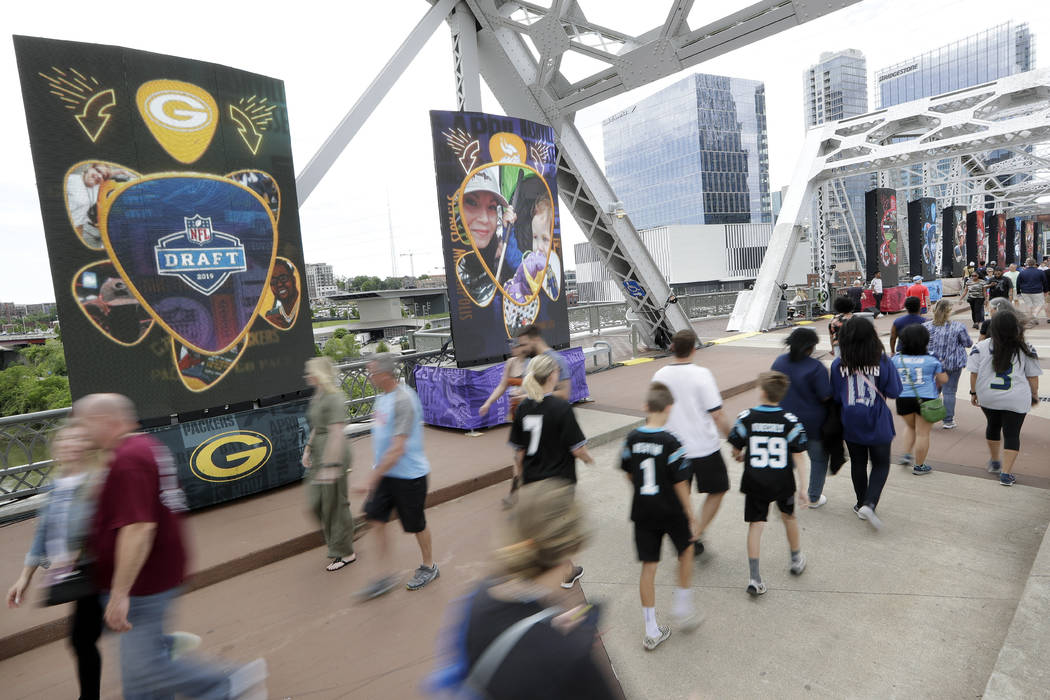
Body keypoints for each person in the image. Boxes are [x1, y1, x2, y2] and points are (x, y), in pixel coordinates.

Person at [78, 393, 267, 699]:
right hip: (154, 576)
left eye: (85, 424)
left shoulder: (129, 459)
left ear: (104, 421)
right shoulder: (145, 446)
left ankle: (229, 683)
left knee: (145, 668)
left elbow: (138, 529)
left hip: (144, 583)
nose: (82, 432)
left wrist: (119, 593)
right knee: (140, 677)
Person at [428, 480, 618, 699]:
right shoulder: (569, 658)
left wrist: (547, 626)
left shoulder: (479, 595)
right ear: (565, 557)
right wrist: (566, 642)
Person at [6, 422, 110, 700]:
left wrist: (77, 548)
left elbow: (104, 525)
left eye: (77, 439)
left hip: (101, 569)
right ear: (56, 449)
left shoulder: (99, 480)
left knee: (87, 637)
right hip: (77, 575)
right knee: (86, 637)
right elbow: (43, 532)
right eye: (64, 441)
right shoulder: (55, 486)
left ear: (87, 446)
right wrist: (24, 577)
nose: (70, 445)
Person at [620, 382, 699, 650]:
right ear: (668, 408)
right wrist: (690, 513)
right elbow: (680, 482)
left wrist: (640, 489)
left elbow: (629, 471)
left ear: (646, 407)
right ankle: (682, 605)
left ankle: (651, 629)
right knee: (686, 551)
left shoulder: (632, 438)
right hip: (672, 511)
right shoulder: (671, 441)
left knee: (648, 567)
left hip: (643, 511)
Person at [356, 353, 439, 598]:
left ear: (384, 374)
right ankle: (384, 576)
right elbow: (382, 440)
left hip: (409, 476)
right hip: (385, 475)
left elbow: (397, 448)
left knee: (416, 524)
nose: (369, 377)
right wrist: (376, 473)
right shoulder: (382, 399)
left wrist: (371, 478)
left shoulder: (404, 400)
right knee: (375, 518)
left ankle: (429, 566)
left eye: (371, 372)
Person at [509, 353, 595, 588]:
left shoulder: (524, 407)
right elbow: (577, 448)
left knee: (538, 526)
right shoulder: (561, 408)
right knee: (559, 529)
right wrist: (589, 459)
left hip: (533, 479)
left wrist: (520, 474)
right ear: (552, 375)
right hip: (559, 481)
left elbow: (518, 452)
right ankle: (566, 573)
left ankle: (529, 570)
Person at [728, 371, 809, 597]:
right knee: (789, 517)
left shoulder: (746, 417)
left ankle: (754, 577)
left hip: (755, 481)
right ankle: (796, 559)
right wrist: (803, 487)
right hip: (783, 481)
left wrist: (740, 455)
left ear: (762, 392)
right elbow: (800, 454)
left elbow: (736, 448)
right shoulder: (790, 420)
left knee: (756, 525)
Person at [652, 329, 731, 556]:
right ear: (694, 349)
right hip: (704, 447)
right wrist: (734, 439)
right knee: (718, 489)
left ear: (672, 348)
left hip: (672, 450)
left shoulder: (659, 375)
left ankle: (685, 531)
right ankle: (697, 530)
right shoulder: (702, 374)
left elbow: (654, 412)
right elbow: (717, 414)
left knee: (679, 496)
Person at [830, 318, 903, 531]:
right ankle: (870, 504)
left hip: (850, 421)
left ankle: (860, 502)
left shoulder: (838, 364)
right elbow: (894, 391)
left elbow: (835, 395)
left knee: (858, 462)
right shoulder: (882, 361)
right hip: (877, 419)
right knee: (880, 464)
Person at [967, 312, 1042, 485]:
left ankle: (994, 462)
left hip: (988, 396)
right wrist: (1034, 394)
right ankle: (1006, 474)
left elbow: (974, 373)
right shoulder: (1026, 347)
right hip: (1016, 398)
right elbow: (1032, 377)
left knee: (992, 426)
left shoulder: (981, 346)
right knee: (1012, 434)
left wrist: (973, 393)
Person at [302, 357, 355, 572]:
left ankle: (345, 552)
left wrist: (331, 465)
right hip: (319, 452)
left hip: (334, 454)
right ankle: (348, 531)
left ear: (319, 374)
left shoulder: (334, 398)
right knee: (315, 503)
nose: (306, 376)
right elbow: (317, 426)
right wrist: (308, 448)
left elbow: (335, 434)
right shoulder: (318, 395)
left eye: (309, 372)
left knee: (334, 504)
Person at [771, 327, 832, 507]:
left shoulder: (779, 363)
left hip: (785, 421)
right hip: (813, 423)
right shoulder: (816, 368)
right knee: (818, 459)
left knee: (787, 460)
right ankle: (813, 497)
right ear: (810, 347)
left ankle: (782, 493)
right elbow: (826, 396)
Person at [891, 325, 948, 474]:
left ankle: (906, 454)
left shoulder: (896, 359)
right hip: (927, 398)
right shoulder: (932, 358)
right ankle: (920, 466)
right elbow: (944, 379)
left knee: (910, 427)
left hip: (903, 398)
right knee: (923, 433)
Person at [923, 299, 973, 430]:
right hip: (953, 363)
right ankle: (948, 420)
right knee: (949, 391)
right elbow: (968, 343)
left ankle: (929, 416)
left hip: (932, 363)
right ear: (949, 311)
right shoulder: (958, 326)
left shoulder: (926, 326)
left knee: (933, 390)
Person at [517, 324, 570, 399]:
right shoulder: (528, 359)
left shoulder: (557, 360)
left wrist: (530, 397)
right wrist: (520, 392)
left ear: (536, 339)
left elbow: (564, 394)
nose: (522, 349)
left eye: (524, 345)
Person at [263, 259, 299, 329]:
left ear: (293, 280)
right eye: (273, 281)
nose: (279, 284)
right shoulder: (271, 316)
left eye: (283, 278)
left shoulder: (302, 308)